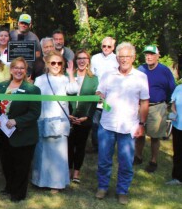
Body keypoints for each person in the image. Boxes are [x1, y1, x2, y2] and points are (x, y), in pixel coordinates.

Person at [95, 42, 149, 205]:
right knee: (104, 159)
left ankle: (122, 190)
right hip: (107, 125)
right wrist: (99, 96)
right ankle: (102, 187)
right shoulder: (108, 75)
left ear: (133, 58)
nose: (124, 59)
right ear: (117, 58)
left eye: (127, 56)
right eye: (121, 56)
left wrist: (142, 124)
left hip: (129, 126)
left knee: (126, 161)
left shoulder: (141, 77)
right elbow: (100, 92)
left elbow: (145, 102)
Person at [0, 57, 41, 202]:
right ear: (11, 70)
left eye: (22, 68)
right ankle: (9, 187)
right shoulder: (1, 86)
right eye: (16, 68)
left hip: (23, 135)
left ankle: (18, 193)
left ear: (25, 71)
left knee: (21, 165)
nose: (18, 71)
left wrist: (17, 121)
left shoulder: (32, 89)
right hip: (3, 133)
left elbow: (34, 113)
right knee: (7, 163)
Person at [32, 51, 78, 193]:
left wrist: (71, 75)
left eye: (59, 63)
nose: (56, 66)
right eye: (53, 63)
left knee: (58, 153)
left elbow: (73, 90)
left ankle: (56, 184)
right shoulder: (40, 79)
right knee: (42, 152)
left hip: (59, 120)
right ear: (47, 64)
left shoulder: (65, 79)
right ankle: (40, 181)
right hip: (43, 118)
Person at [134, 45, 176, 172]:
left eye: (152, 54)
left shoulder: (164, 71)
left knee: (155, 136)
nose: (149, 56)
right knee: (139, 134)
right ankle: (138, 156)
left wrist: (168, 104)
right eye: (147, 54)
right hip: (140, 106)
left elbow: (172, 89)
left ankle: (153, 161)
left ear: (158, 56)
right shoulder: (140, 69)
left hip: (157, 106)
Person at [67, 50, 98, 183]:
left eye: (84, 58)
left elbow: (95, 100)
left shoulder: (93, 78)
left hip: (85, 119)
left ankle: (76, 173)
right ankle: (67, 170)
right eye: (79, 58)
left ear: (88, 61)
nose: (81, 61)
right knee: (69, 146)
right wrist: (68, 115)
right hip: (69, 117)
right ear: (75, 60)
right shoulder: (68, 75)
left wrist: (87, 116)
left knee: (80, 146)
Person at [90, 37, 119, 153]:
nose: (106, 48)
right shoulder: (95, 58)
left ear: (113, 47)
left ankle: (109, 146)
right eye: (104, 46)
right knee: (96, 121)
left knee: (110, 122)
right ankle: (96, 146)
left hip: (112, 96)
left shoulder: (117, 59)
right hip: (98, 95)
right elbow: (91, 75)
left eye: (109, 46)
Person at [166, 83, 182, 185]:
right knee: (178, 152)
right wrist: (174, 114)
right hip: (178, 126)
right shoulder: (179, 88)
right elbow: (173, 106)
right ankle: (177, 177)